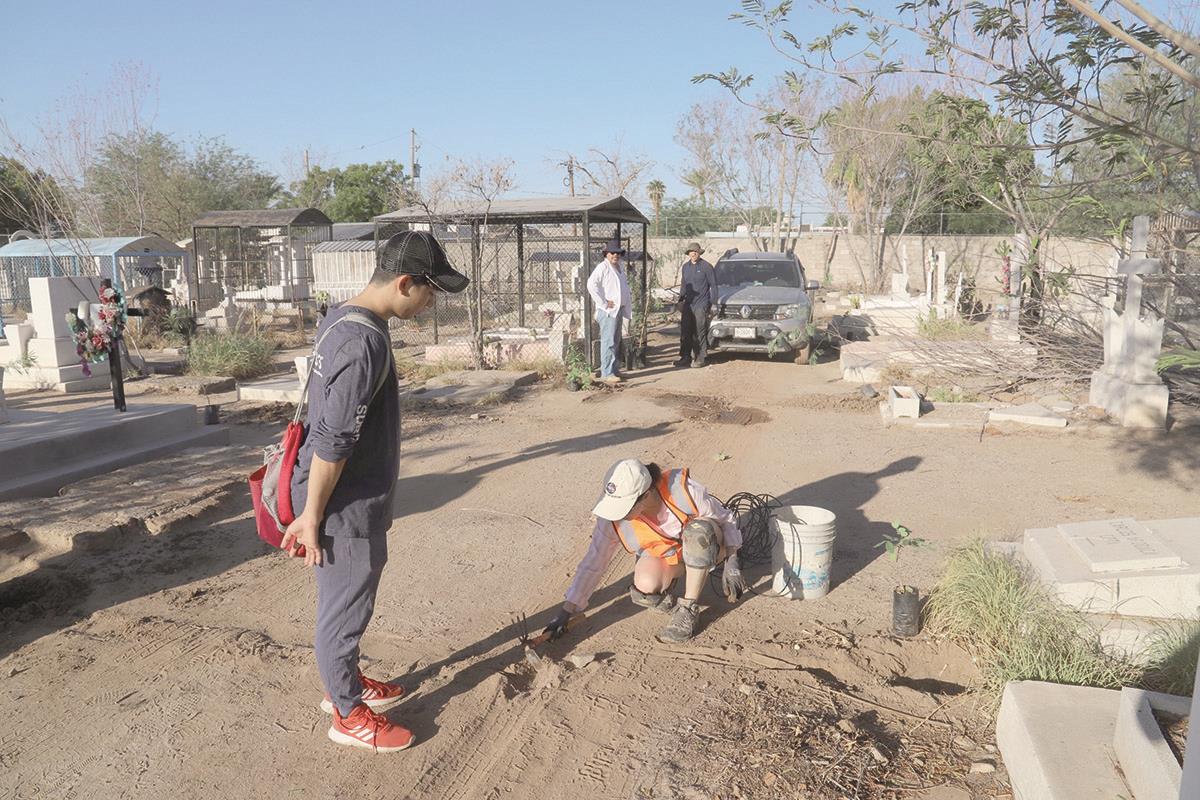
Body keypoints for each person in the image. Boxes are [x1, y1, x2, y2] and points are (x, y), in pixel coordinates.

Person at [283, 230, 469, 753]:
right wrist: (313, 518)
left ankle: (345, 681)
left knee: (343, 601)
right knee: (345, 610)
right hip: (344, 505)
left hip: (342, 496)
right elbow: (333, 439)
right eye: (431, 291)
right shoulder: (363, 340)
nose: (432, 302)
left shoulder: (341, 318)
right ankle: (345, 712)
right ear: (405, 282)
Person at [544, 459, 746, 644]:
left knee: (699, 532)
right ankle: (677, 587)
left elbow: (725, 519)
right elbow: (594, 561)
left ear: (646, 495)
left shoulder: (682, 491)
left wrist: (732, 559)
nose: (618, 514)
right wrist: (567, 610)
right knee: (646, 585)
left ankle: (688, 608)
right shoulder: (611, 519)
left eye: (624, 507)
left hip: (709, 545)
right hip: (672, 557)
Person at [586, 239, 632, 385]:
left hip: (617, 310)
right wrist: (604, 302)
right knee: (609, 341)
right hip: (608, 312)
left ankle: (613, 369)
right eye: (612, 253)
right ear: (607, 254)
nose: (615, 255)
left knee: (615, 341)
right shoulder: (603, 267)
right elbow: (591, 285)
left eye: (618, 253)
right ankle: (607, 373)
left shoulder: (619, 267)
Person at [675, 243, 717, 368]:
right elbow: (684, 285)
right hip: (688, 303)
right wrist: (680, 301)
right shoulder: (685, 267)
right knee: (685, 330)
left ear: (699, 253)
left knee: (699, 330)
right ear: (688, 254)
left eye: (695, 251)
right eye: (691, 252)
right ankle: (685, 357)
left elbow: (713, 286)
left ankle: (701, 357)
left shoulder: (707, 267)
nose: (693, 254)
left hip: (702, 303)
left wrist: (713, 304)